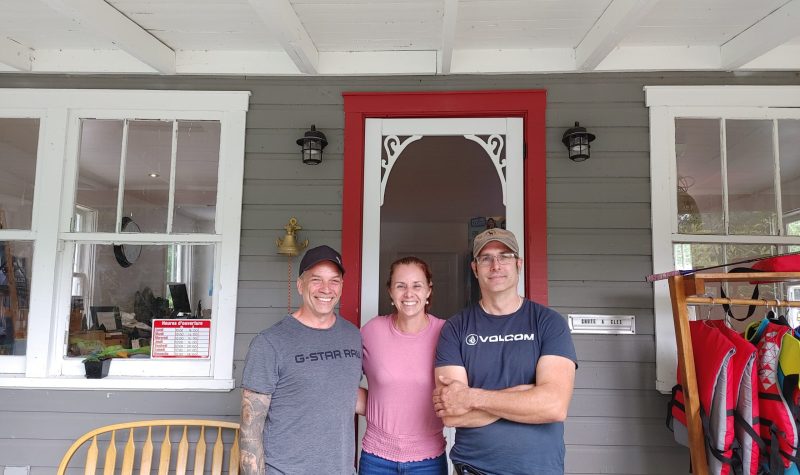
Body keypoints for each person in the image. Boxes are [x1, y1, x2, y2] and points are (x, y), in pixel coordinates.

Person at [432, 228, 578, 475]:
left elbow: (554, 406)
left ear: (518, 264)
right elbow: (452, 413)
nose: (495, 265)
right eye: (485, 258)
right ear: (475, 268)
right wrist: (526, 395)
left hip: (539, 469)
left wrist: (471, 397)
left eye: (505, 256)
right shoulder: (456, 328)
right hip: (473, 468)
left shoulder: (549, 323)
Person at [240, 245, 364, 474]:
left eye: (334, 281)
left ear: (342, 286)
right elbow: (251, 428)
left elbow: (347, 394)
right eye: (316, 279)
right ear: (300, 285)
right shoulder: (270, 342)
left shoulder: (352, 336)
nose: (326, 289)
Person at [359, 256, 447, 475]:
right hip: (375, 459)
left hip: (429, 461)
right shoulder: (371, 332)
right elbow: (342, 377)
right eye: (400, 286)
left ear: (428, 290)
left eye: (417, 285)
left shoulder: (446, 333)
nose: (409, 293)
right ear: (390, 291)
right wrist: (376, 408)